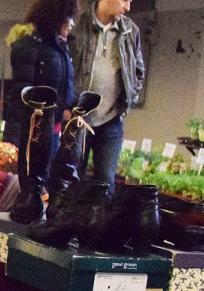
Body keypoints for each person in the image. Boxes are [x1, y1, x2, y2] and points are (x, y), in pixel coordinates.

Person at [2, 0, 79, 223]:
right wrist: (13, 138)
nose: (71, 23)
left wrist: (73, 108)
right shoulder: (30, 46)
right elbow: (21, 95)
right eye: (68, 17)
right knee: (32, 185)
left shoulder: (60, 49)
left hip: (54, 130)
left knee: (52, 183)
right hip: (33, 131)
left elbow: (66, 88)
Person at [69, 0, 145, 188]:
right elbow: (64, 66)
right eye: (124, 0)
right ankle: (71, 217)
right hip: (78, 119)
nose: (128, 7)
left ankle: (100, 217)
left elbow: (138, 71)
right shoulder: (78, 25)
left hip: (112, 120)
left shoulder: (130, 31)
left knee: (106, 182)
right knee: (72, 177)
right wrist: (66, 106)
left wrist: (128, 100)